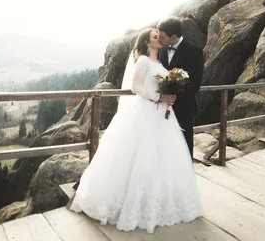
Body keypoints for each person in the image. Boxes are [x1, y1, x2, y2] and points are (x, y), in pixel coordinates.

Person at [69, 28, 202, 233]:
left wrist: (171, 89)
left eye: (160, 36)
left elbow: (161, 84)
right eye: (155, 37)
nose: (160, 38)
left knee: (161, 157)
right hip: (147, 112)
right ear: (148, 43)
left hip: (161, 115)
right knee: (140, 154)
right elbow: (136, 87)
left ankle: (159, 201)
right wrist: (159, 98)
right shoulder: (142, 61)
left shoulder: (159, 63)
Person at [157, 17, 204, 159]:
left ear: (174, 37)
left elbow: (195, 84)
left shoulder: (194, 51)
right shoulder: (161, 50)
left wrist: (173, 94)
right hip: (161, 109)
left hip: (184, 108)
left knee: (184, 145)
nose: (159, 39)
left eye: (162, 37)